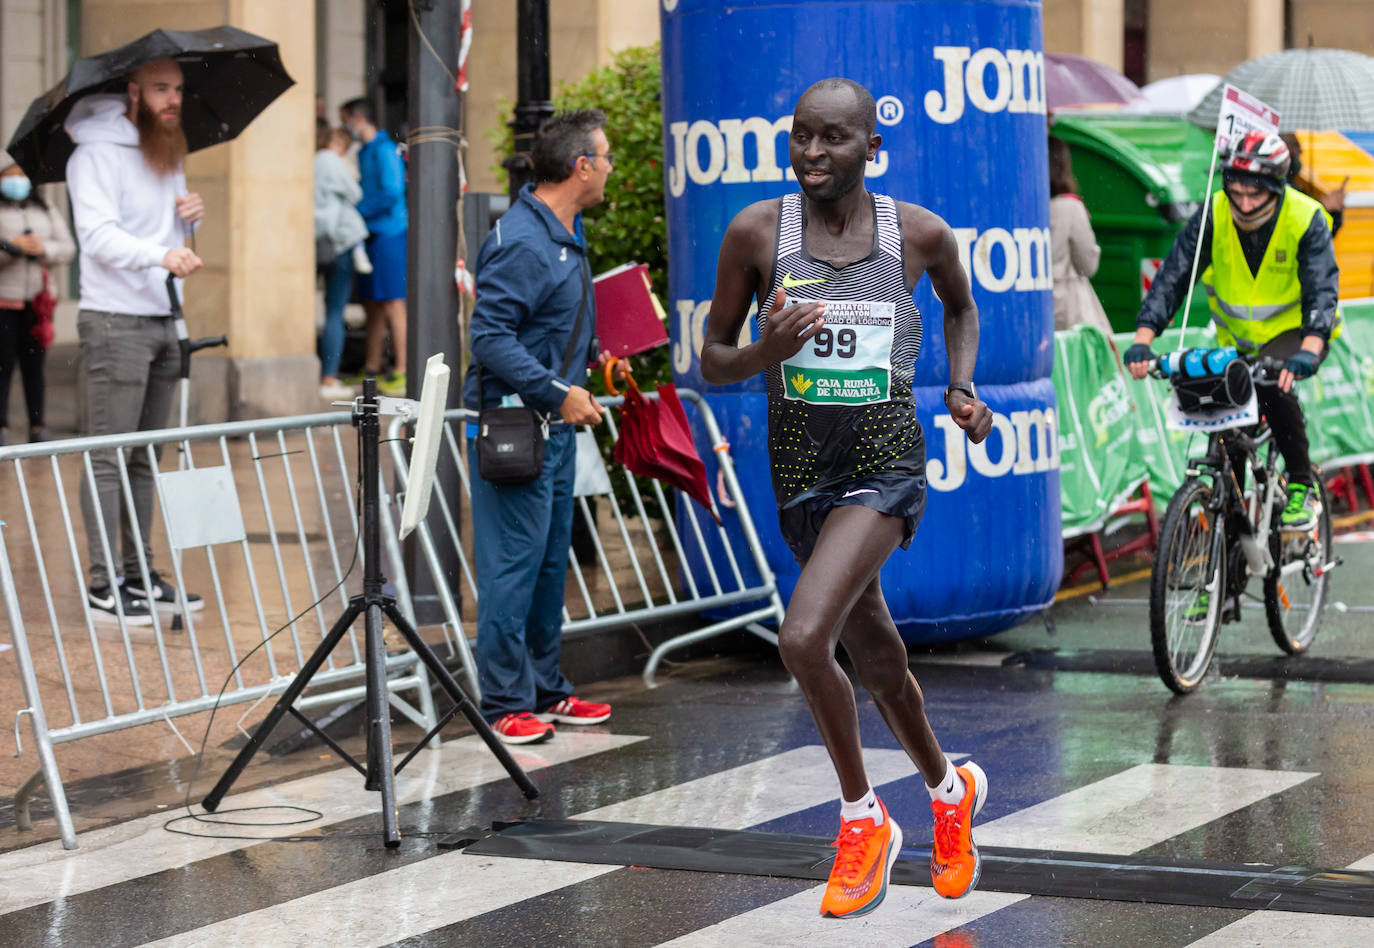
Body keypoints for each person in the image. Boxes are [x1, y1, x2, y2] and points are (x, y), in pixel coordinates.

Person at [700, 78, 995, 919]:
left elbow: (962, 310)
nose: (812, 155)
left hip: (885, 463)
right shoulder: (758, 233)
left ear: (872, 146)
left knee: (802, 635)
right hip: (801, 473)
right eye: (800, 138)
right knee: (878, 657)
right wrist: (767, 351)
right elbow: (712, 359)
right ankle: (948, 788)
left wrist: (963, 385)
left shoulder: (917, 234)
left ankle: (864, 817)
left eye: (832, 139)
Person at [462, 109, 615, 745]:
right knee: (511, 570)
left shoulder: (561, 232)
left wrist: (597, 357)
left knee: (550, 566)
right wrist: (559, 390)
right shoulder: (523, 240)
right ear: (581, 167)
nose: (610, 170)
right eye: (605, 159)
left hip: (550, 433)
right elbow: (489, 337)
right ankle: (502, 703)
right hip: (514, 432)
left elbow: (550, 326)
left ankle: (546, 690)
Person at [1124, 131, 1340, 532]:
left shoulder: (1305, 217)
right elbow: (1174, 275)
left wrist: (1311, 348)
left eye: (1255, 193)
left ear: (1277, 187)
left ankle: (1299, 484)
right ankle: (1228, 558)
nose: (1243, 202)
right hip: (1236, 340)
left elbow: (1321, 287)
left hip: (1295, 335)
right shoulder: (1214, 212)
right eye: (1235, 191)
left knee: (1276, 384)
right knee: (1225, 426)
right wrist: (1143, 338)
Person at [65, 57, 207, 624]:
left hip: (161, 317)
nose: (172, 99)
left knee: (145, 457)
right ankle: (104, 586)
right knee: (107, 456)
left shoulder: (167, 151)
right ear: (132, 92)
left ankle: (139, 572)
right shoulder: (94, 153)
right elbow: (97, 237)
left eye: (177, 89)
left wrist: (190, 222)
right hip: (113, 320)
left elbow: (167, 236)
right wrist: (162, 253)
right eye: (159, 89)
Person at [0, 149, 75, 445]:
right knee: (2, 365)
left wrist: (42, 249)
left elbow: (67, 247)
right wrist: (11, 248)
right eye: (10, 176)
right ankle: (2, 426)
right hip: (4, 301)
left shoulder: (45, 209)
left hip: (39, 302)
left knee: (35, 366)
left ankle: (37, 425)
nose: (17, 181)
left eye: (22, 175)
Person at [339, 98, 407, 396]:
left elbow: (393, 192)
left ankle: (403, 370)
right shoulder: (366, 151)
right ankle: (372, 369)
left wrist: (361, 211)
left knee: (393, 302)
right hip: (370, 234)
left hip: (389, 233)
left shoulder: (384, 150)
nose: (344, 126)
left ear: (357, 118)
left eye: (345, 120)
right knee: (372, 306)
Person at [314, 121, 369, 400]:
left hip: (314, 241)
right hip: (340, 242)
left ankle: (321, 374)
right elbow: (356, 193)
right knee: (335, 311)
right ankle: (329, 377)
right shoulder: (332, 161)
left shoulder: (310, 161)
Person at [1048, 137, 1111, 334]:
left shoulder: (1023, 206)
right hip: (1069, 310)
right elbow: (1088, 265)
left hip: (1037, 308)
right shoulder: (1070, 207)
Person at [1279, 132, 1346, 238]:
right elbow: (1302, 231)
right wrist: (1323, 206)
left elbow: (1325, 236)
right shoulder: (1282, 191)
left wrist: (1334, 211)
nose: (1301, 151)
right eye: (1295, 145)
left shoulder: (1296, 188)